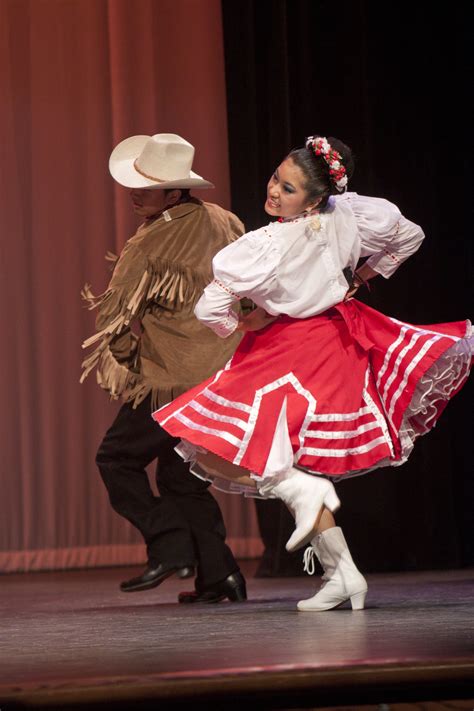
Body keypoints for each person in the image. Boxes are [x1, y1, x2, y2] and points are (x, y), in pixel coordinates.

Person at [152, 134, 473, 611]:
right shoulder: (348, 214)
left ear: (315, 197)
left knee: (214, 445)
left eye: (289, 189)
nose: (275, 192)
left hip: (288, 350)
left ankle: (313, 511)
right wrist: (360, 278)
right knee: (276, 459)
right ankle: (343, 574)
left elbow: (209, 306)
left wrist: (240, 321)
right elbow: (410, 236)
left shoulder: (268, 242)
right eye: (277, 180)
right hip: (335, 343)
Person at [81, 133, 247, 603]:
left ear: (175, 192)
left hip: (169, 379)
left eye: (147, 186)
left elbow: (110, 321)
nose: (135, 193)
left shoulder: (150, 241)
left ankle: (171, 547)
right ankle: (221, 576)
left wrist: (137, 365)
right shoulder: (225, 220)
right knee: (180, 477)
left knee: (116, 458)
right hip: (220, 377)